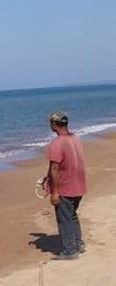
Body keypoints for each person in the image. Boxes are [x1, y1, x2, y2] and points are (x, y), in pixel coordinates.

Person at [45, 110, 87, 260]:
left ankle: (70, 250)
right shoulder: (75, 138)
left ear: (55, 124)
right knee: (72, 215)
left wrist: (54, 192)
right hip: (79, 185)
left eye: (51, 122)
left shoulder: (57, 143)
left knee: (64, 218)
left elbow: (55, 168)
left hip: (66, 187)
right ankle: (77, 243)